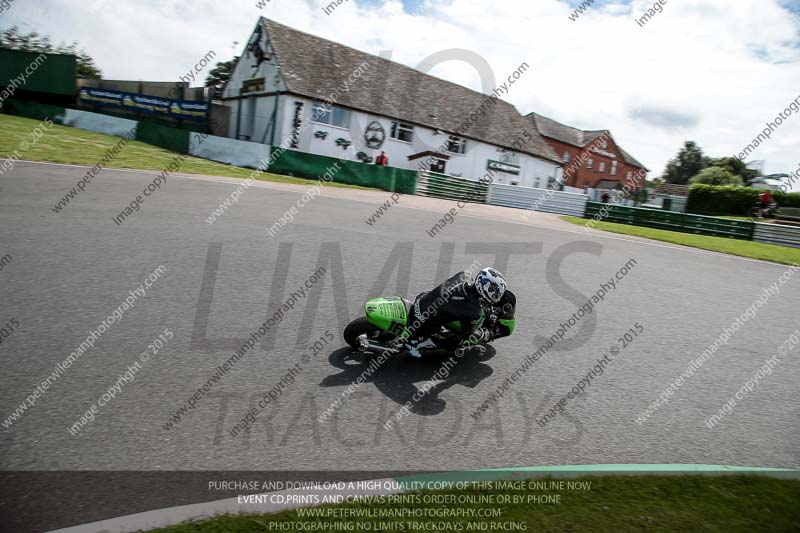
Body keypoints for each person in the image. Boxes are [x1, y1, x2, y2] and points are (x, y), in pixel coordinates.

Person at [405, 267, 515, 358]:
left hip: (422, 299)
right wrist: (485, 334)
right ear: (484, 286)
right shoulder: (473, 311)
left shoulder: (464, 275)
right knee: (458, 341)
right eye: (494, 291)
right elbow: (468, 335)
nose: (496, 296)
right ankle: (420, 343)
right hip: (424, 321)